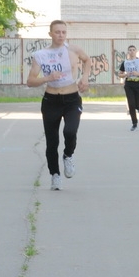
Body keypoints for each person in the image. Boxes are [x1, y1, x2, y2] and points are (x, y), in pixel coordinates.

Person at [26, 20, 91, 191]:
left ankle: (68, 155)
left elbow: (87, 60)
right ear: (50, 34)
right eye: (57, 32)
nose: (61, 35)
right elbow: (30, 81)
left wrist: (85, 78)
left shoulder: (73, 50)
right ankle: (55, 175)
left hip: (71, 99)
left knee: (70, 131)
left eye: (63, 32)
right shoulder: (41, 55)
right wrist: (48, 78)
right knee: (52, 141)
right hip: (51, 101)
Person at [118, 45, 139, 131]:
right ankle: (134, 123)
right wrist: (125, 74)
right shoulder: (125, 62)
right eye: (130, 50)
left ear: (135, 51)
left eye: (133, 50)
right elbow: (119, 74)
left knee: (138, 103)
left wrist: (138, 74)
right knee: (131, 104)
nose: (132, 51)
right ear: (128, 52)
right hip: (129, 84)